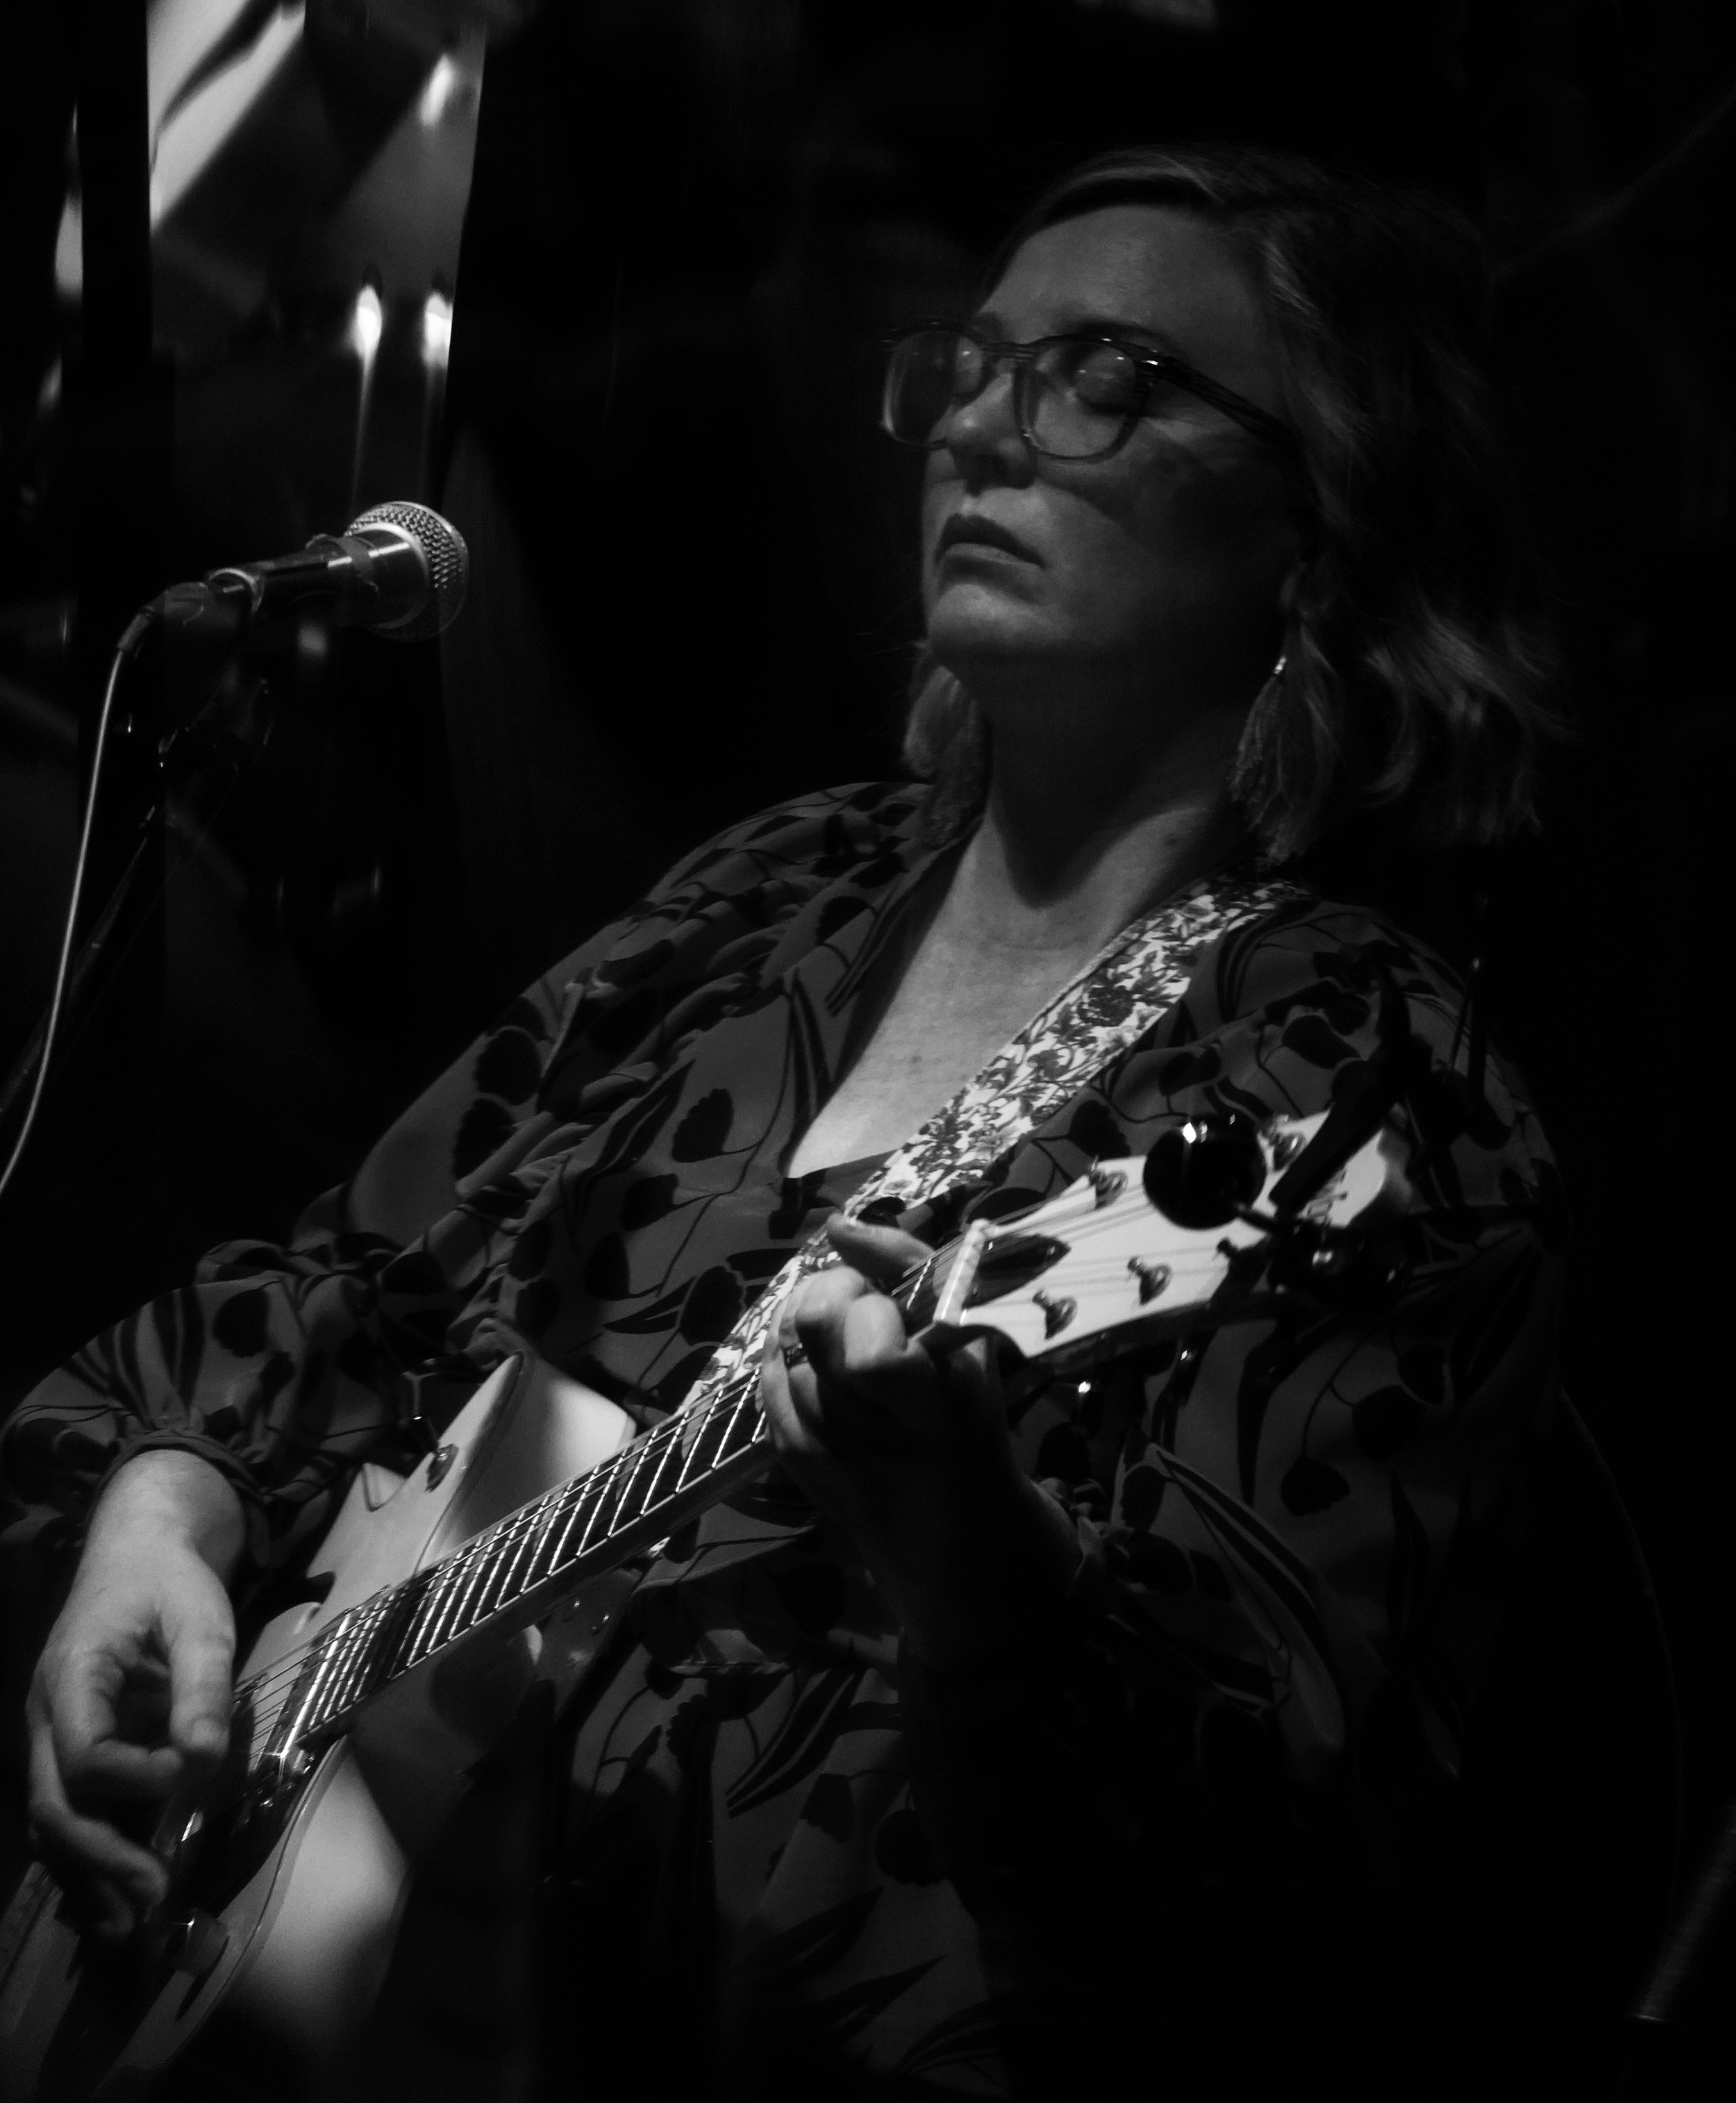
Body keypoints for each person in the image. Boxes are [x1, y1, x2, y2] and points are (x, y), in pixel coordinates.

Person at [4, 145, 1562, 2100]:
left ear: (1324, 522)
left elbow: (1274, 1852)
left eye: (1106, 377)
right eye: (970, 365)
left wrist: (986, 1575)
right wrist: (161, 1518)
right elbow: (336, 1292)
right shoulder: (778, 893)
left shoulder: (1358, 1081)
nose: (978, 428)